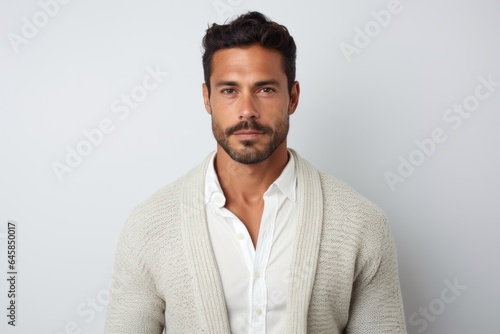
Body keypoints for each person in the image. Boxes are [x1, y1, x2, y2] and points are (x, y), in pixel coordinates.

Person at [104, 11, 406, 334]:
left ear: (293, 97)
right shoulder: (149, 227)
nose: (247, 110)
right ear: (207, 98)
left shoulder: (361, 224)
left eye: (265, 90)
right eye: (229, 91)